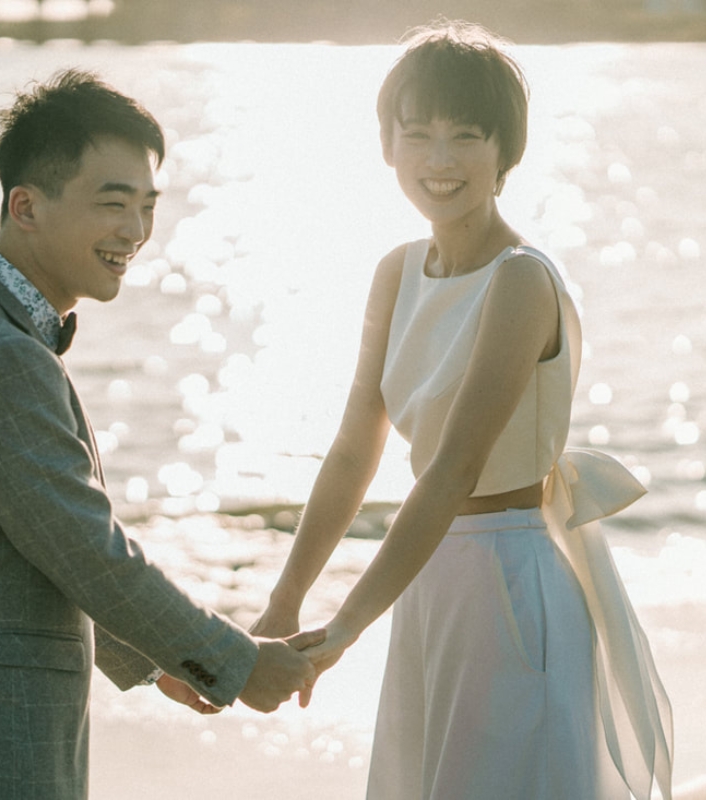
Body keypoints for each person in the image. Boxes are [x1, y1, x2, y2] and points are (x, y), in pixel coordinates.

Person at [0, 68, 321, 800]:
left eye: (147, 206)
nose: (136, 232)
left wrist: (159, 661)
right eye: (112, 203)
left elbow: (46, 547)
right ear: (26, 206)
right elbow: (92, 554)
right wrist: (238, 663)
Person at [252, 21, 673, 799]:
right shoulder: (395, 270)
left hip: (513, 580)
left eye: (466, 137)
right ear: (387, 146)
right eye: (417, 135)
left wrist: (344, 627)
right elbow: (353, 450)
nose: (439, 161)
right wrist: (283, 602)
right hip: (427, 580)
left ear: (505, 153)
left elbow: (452, 469)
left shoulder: (521, 280)